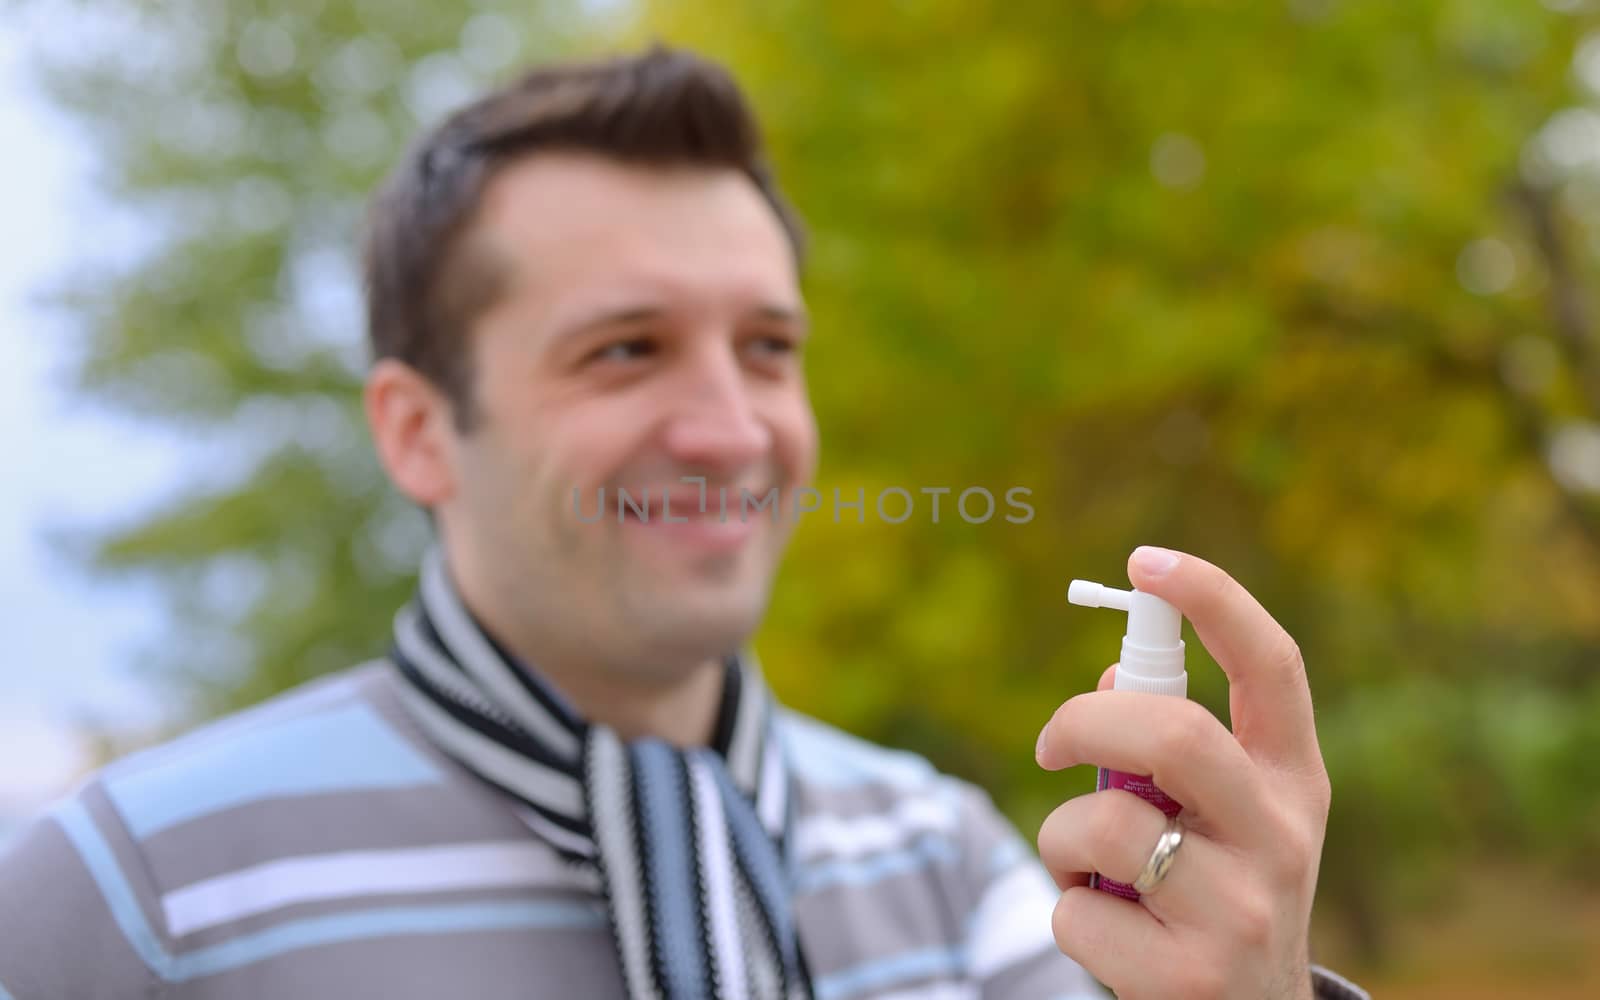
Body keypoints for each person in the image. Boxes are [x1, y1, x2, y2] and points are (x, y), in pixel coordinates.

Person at [0, 45, 1369, 1000]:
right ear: (418, 431)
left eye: (768, 348)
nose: (731, 428)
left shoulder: (951, 867)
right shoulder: (129, 895)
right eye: (626, 350)